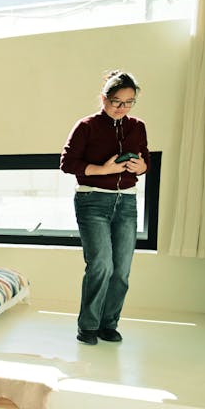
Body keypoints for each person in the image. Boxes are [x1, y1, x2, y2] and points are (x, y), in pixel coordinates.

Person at [60, 70, 149, 345]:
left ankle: (108, 325)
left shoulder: (138, 126)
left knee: (121, 270)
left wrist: (142, 166)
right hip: (92, 201)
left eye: (129, 102)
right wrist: (103, 169)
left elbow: (146, 160)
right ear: (103, 98)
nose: (122, 108)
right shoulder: (86, 125)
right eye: (116, 102)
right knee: (100, 265)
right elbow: (67, 163)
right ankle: (88, 326)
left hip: (127, 203)